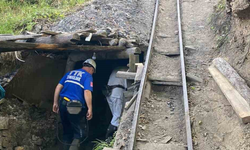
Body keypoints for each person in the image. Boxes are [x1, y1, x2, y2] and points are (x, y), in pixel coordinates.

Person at [52, 59, 96, 150]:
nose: (92, 74)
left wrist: (55, 102)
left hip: (63, 103)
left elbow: (58, 87)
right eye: (93, 72)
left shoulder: (70, 73)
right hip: (74, 107)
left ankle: (65, 147)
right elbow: (87, 91)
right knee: (79, 133)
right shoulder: (88, 76)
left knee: (66, 130)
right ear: (91, 69)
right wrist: (90, 108)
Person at [104, 67, 127, 139]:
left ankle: (111, 135)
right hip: (117, 92)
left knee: (115, 115)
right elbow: (127, 87)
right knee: (117, 115)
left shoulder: (114, 70)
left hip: (109, 92)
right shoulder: (125, 70)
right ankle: (110, 135)